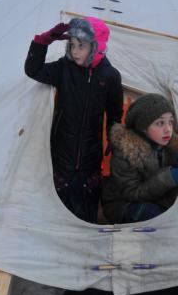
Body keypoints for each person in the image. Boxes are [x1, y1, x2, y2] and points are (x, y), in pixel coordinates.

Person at [24, 17, 123, 223]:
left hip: (90, 153)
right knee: (58, 207)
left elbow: (114, 112)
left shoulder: (110, 76)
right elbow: (33, 70)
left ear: (96, 47)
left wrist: (114, 139)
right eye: (72, 45)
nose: (75, 51)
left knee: (86, 207)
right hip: (62, 151)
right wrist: (43, 41)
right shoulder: (64, 68)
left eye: (82, 45)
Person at [102, 93, 178, 224]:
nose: (168, 129)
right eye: (160, 123)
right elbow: (132, 193)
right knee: (154, 215)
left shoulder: (171, 146)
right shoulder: (126, 151)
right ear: (143, 127)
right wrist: (169, 177)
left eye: (170, 122)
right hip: (122, 203)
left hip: (156, 199)